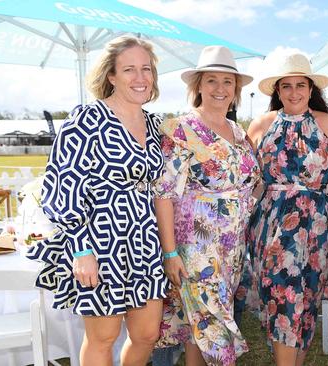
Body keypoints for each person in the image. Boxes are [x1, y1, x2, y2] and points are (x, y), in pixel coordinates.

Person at [26, 36, 167, 365]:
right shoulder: (86, 119)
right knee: (102, 337)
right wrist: (80, 249)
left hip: (145, 240)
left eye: (146, 69)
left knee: (147, 334)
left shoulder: (154, 123)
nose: (140, 77)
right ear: (111, 76)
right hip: (101, 241)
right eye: (129, 69)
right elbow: (62, 184)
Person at [152, 46, 260, 366]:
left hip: (232, 248)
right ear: (198, 85)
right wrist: (170, 253)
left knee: (198, 326)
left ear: (236, 89)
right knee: (214, 327)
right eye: (211, 80)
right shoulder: (181, 129)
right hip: (196, 247)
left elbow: (251, 182)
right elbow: (164, 193)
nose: (220, 89)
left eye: (227, 82)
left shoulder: (238, 132)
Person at [245, 53, 328, 366]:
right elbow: (247, 178)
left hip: (318, 229)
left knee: (306, 306)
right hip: (272, 228)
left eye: (301, 85)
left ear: (311, 88)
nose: (294, 92)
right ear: (277, 90)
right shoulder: (261, 125)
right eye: (286, 86)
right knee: (282, 304)